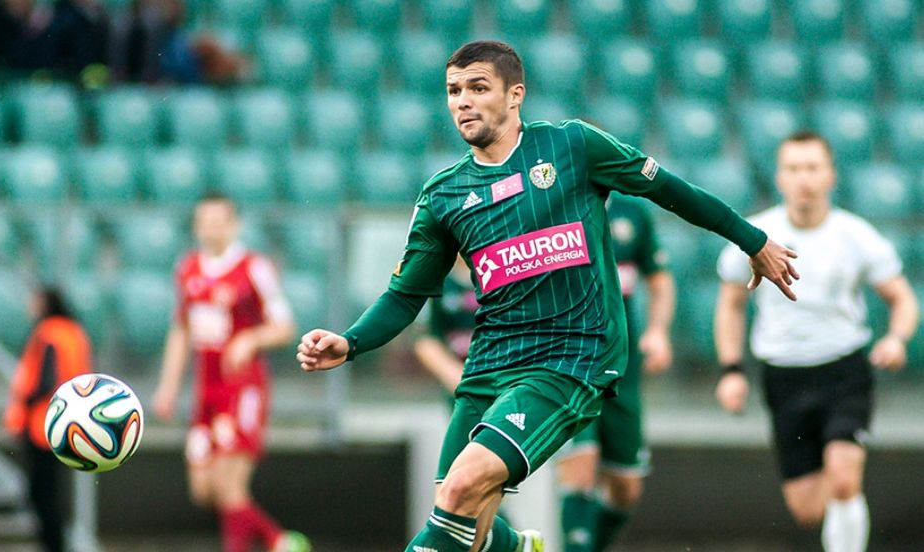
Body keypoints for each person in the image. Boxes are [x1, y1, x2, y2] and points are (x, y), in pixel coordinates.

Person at [297, 40, 799, 552]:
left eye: (478, 87)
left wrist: (753, 240)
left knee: (461, 490)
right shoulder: (444, 195)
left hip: (571, 358)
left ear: (515, 95)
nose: (462, 101)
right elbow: (405, 296)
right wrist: (350, 341)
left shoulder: (572, 146)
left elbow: (669, 190)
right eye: (453, 90)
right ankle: (517, 547)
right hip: (488, 366)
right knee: (463, 523)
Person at [714, 130, 919, 552]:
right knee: (807, 509)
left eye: (812, 167)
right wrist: (731, 369)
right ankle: (845, 517)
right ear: (780, 177)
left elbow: (902, 298)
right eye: (793, 168)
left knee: (843, 479)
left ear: (830, 175)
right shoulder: (756, 236)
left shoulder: (855, 235)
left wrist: (897, 338)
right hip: (784, 375)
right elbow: (730, 305)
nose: (803, 178)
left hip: (843, 370)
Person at [151, 193, 309, 552]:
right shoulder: (188, 269)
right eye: (203, 221)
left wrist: (250, 339)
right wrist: (168, 387)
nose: (210, 228)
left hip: (242, 388)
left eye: (218, 221)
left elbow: (285, 327)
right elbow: (181, 330)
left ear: (234, 225)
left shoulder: (254, 268)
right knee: (203, 490)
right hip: (205, 391)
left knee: (229, 486)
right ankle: (279, 540)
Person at [557, 194, 675, 552]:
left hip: (622, 364)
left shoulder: (632, 214)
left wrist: (658, 332)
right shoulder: (550, 206)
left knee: (626, 489)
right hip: (568, 360)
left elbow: (659, 280)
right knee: (581, 464)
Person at [4, 286, 93, 552]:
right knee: (50, 492)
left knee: (40, 494)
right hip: (68, 423)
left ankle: (54, 546)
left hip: (42, 426)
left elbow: (46, 380)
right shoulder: (75, 332)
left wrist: (25, 402)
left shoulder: (49, 333)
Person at [413, 255, 477, 397]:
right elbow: (425, 340)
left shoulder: (507, 277)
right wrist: (456, 376)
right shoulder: (436, 284)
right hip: (461, 383)